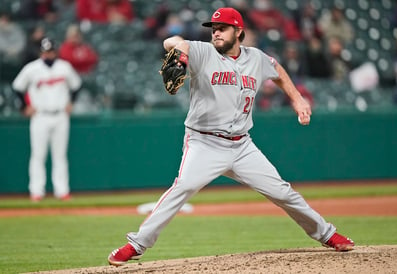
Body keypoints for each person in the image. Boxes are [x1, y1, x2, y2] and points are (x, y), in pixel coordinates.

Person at [108, 7, 354, 266]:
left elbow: (277, 69)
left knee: (283, 192)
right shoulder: (202, 52)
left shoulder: (256, 58)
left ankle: (327, 234)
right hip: (204, 142)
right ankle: (137, 244)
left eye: (222, 29)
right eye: (213, 29)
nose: (216, 33)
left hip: (242, 146)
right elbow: (171, 41)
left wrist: (298, 99)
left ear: (239, 32)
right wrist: (179, 50)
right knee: (183, 187)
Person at [12, 37, 82, 202]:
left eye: (50, 51)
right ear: (41, 52)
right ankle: (36, 191)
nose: (48, 54)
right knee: (38, 155)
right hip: (40, 116)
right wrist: (24, 107)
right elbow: (17, 87)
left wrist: (71, 103)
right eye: (45, 51)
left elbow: (76, 86)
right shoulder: (32, 68)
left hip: (60, 115)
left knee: (60, 155)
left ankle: (62, 191)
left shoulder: (64, 67)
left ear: (55, 51)